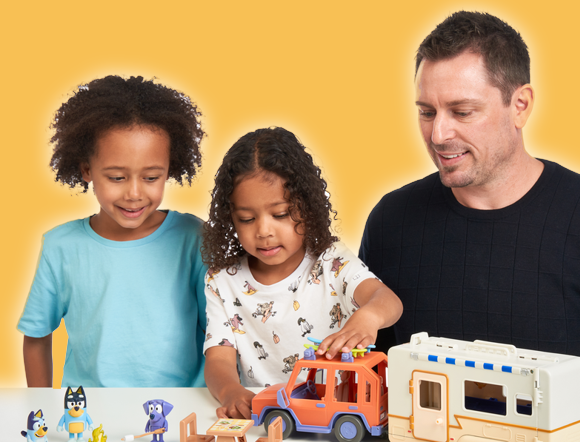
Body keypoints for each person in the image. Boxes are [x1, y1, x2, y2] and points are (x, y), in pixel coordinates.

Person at [359, 11, 580, 384]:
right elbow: (368, 375)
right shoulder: (390, 223)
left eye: (462, 111)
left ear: (520, 105)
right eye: (426, 112)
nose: (439, 134)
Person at [18, 75, 208, 387]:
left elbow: (221, 332)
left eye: (151, 177)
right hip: (89, 414)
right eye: (117, 177)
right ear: (86, 170)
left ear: (168, 169)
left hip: (180, 413)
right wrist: (43, 410)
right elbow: (37, 336)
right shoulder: (61, 246)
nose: (134, 194)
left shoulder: (193, 238)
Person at [202, 127, 403, 418]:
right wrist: (230, 391)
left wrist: (368, 317)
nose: (264, 231)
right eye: (246, 219)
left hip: (336, 410)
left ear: (307, 208)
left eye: (280, 214)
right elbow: (218, 357)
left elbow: (389, 301)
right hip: (270, 413)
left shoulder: (331, 263)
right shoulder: (223, 279)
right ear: (230, 218)